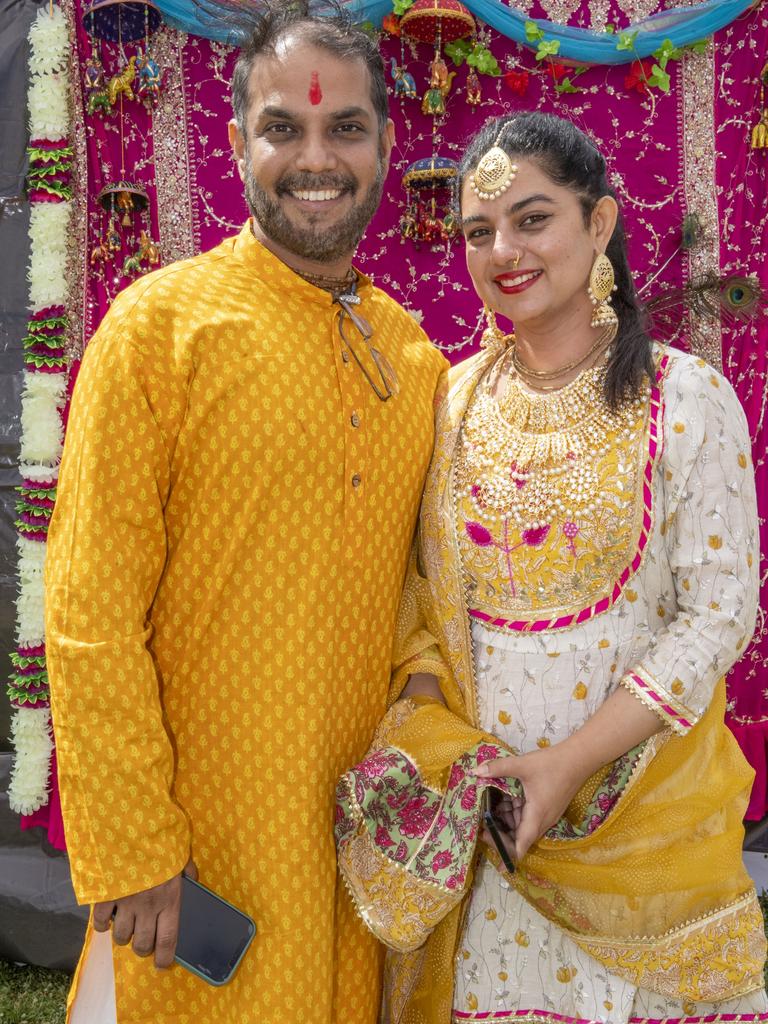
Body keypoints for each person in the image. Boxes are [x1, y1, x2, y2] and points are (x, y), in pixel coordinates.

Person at [44, 4, 446, 1023]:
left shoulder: (416, 364)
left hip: (352, 850)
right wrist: (134, 847)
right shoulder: (158, 329)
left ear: (387, 144)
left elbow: (429, 598)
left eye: (345, 127)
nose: (317, 158)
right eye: (284, 127)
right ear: (236, 143)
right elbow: (89, 612)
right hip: (195, 860)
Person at [362, 112, 765, 1023]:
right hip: (493, 827)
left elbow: (719, 612)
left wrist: (568, 766)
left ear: (602, 224)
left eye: (533, 218)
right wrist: (449, 751)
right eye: (478, 230)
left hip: (639, 815)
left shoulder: (687, 397)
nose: (503, 249)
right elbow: (416, 596)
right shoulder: (449, 403)